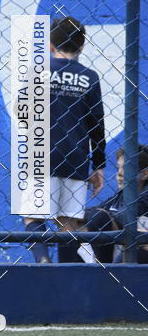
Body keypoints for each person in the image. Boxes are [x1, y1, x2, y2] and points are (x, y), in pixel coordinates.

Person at [24, 16, 106, 263]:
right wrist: (99, 165)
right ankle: (67, 271)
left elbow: (22, 110)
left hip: (41, 152)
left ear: (50, 45)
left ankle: (42, 259)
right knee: (68, 221)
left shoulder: (38, 71)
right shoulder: (89, 77)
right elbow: (97, 123)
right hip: (76, 155)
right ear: (81, 46)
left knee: (33, 216)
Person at [84, 145, 148, 263]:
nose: (120, 173)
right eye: (118, 168)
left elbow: (127, 217)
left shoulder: (145, 196)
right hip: (126, 244)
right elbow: (95, 211)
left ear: (144, 174)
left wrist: (108, 216)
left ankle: (107, 274)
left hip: (141, 252)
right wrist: (76, 216)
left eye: (127, 168)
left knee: (100, 218)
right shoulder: (121, 195)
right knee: (80, 223)